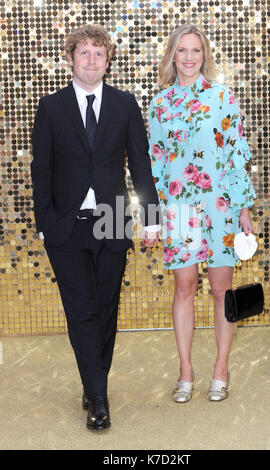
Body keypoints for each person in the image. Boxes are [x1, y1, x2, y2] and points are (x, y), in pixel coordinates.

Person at [31, 24, 160, 430]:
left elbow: (141, 165)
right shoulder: (51, 107)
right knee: (81, 312)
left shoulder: (125, 105)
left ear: (108, 61)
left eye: (98, 54)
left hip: (113, 220)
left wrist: (152, 219)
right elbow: (41, 170)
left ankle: (92, 380)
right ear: (70, 58)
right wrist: (43, 223)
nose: (91, 60)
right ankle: (99, 399)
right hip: (65, 226)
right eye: (83, 53)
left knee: (105, 310)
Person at [148, 24, 256, 403]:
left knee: (220, 288)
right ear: (172, 56)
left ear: (204, 55)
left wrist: (243, 209)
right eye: (182, 50)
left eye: (196, 50)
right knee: (184, 286)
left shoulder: (224, 98)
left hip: (222, 207)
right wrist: (157, 213)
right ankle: (185, 370)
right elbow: (156, 163)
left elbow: (236, 155)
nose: (190, 57)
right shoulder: (160, 105)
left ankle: (220, 369)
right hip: (179, 208)